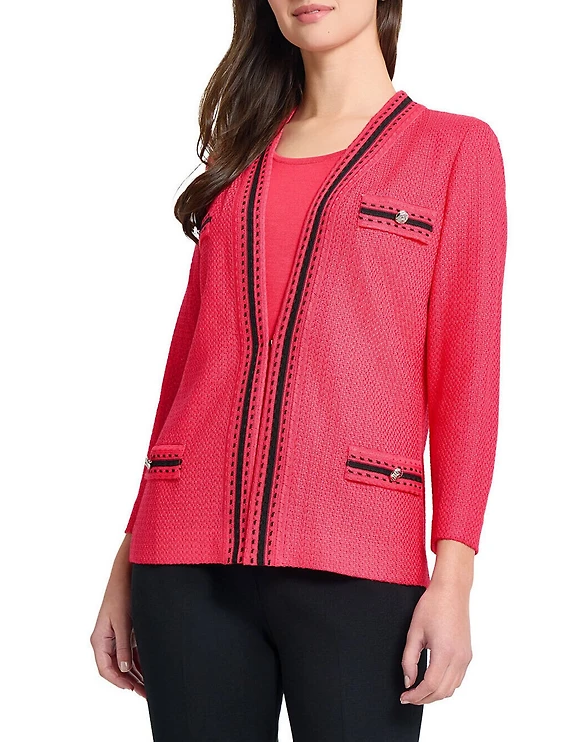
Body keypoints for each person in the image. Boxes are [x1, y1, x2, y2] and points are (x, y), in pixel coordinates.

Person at [90, 1, 508, 740]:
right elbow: (187, 369)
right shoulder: (238, 159)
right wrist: (128, 555)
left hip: (360, 562)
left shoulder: (453, 150)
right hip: (183, 565)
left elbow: (466, 374)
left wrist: (456, 574)